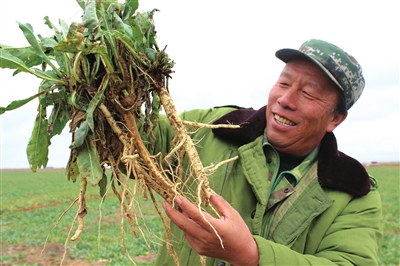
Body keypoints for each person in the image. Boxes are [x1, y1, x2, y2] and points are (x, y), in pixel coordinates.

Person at [147, 39, 383, 265]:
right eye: (284, 83)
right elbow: (138, 136)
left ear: (335, 118)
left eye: (308, 93)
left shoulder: (354, 194)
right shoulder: (214, 127)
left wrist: (250, 256)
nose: (285, 99)